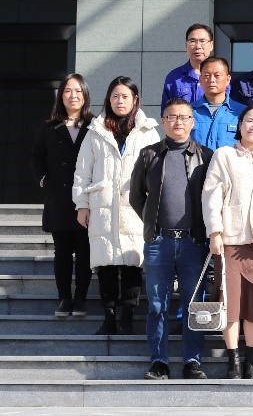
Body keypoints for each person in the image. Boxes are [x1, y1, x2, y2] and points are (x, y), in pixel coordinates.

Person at [129, 98, 214, 380]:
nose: (178, 122)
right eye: (172, 117)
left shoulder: (206, 156)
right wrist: (152, 223)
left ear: (192, 122)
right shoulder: (149, 155)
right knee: (156, 306)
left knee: (194, 305)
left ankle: (193, 361)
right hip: (159, 243)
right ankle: (159, 362)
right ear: (163, 122)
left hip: (193, 243)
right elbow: (136, 196)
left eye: (184, 117)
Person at [73, 77, 161, 336]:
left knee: (133, 263)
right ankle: (109, 316)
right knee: (106, 264)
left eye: (125, 96)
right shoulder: (95, 131)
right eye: (115, 96)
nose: (119, 101)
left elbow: (157, 172)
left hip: (136, 207)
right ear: (108, 99)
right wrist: (82, 205)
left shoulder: (148, 131)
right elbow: (82, 171)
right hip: (103, 206)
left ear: (135, 100)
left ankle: (127, 316)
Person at [202, 105, 253, 380]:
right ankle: (233, 361)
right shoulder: (224, 155)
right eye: (249, 121)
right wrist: (215, 231)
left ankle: (251, 361)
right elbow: (211, 195)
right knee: (230, 303)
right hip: (230, 240)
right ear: (240, 125)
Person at [31, 74, 94, 317]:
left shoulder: (94, 125)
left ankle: (80, 299)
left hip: (86, 199)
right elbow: (36, 156)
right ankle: (64, 298)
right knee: (63, 252)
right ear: (61, 96)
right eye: (67, 90)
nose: (73, 95)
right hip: (58, 198)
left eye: (78, 91)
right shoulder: (49, 126)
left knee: (85, 251)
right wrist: (43, 179)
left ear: (85, 94)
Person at [192, 56, 246, 151]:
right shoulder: (189, 111)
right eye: (207, 75)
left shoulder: (242, 112)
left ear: (228, 80)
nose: (211, 80)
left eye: (217, 75)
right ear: (200, 79)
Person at [162, 24, 215, 107]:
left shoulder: (221, 77)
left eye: (202, 41)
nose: (198, 46)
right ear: (186, 45)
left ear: (211, 45)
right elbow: (166, 111)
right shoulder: (174, 77)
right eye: (192, 41)